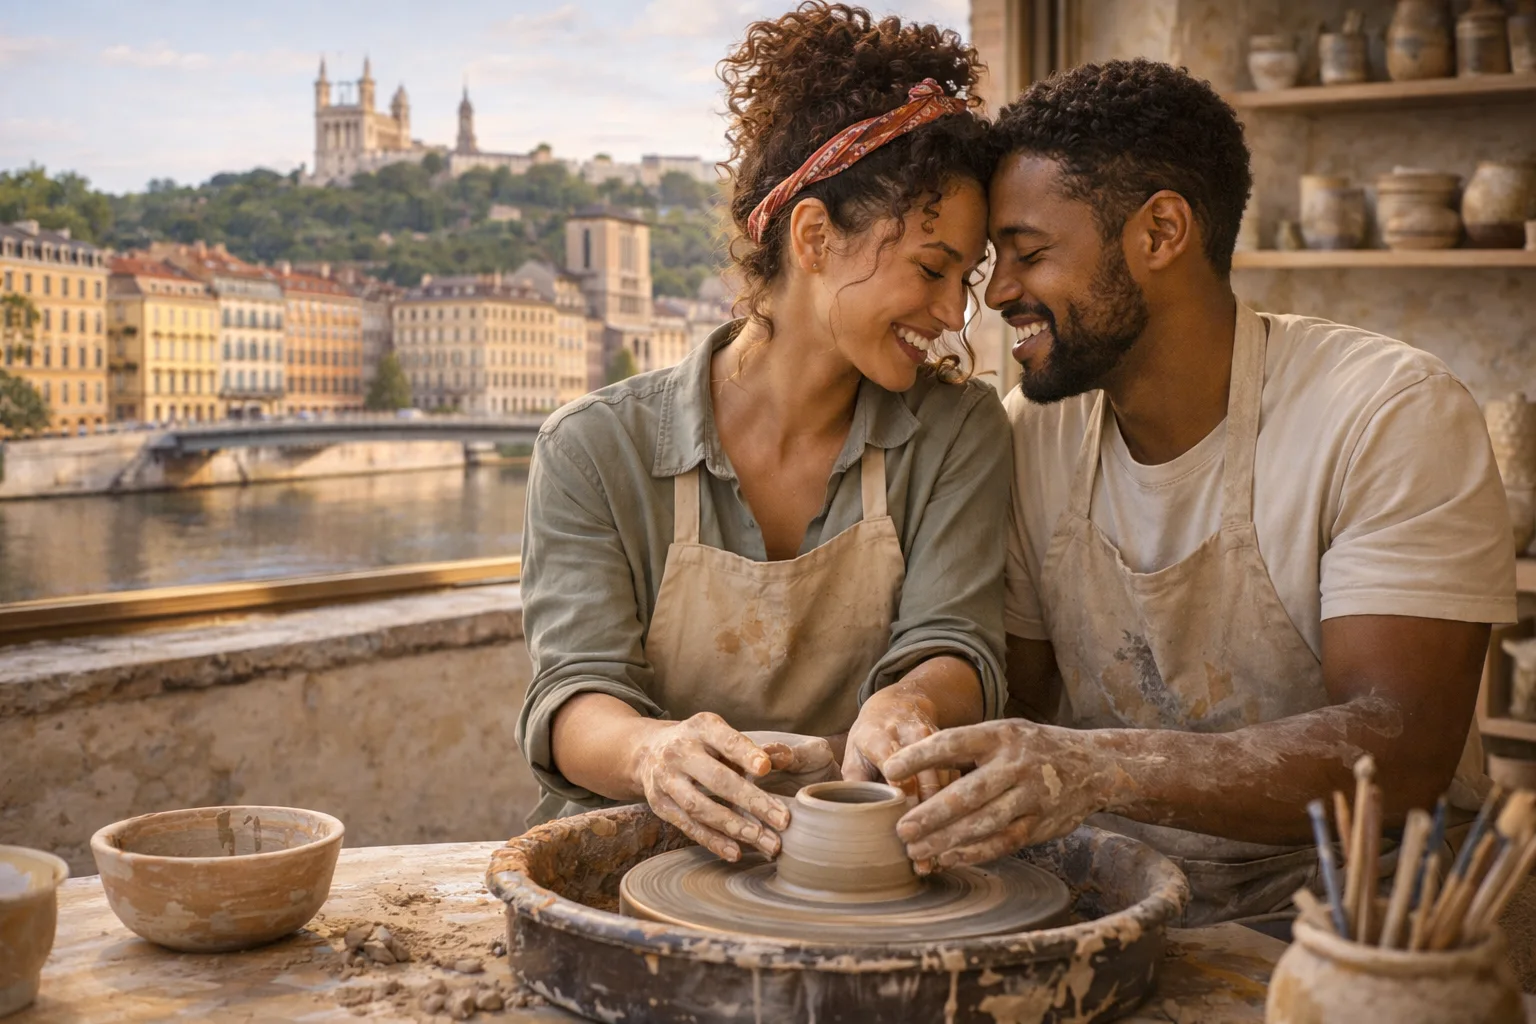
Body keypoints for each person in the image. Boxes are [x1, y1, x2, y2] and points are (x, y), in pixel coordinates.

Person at [883, 59, 1516, 926]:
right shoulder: (1034, 433)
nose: (996, 294)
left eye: (1029, 254)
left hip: (1363, 914)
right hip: (1124, 895)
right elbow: (1016, 701)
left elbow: (1401, 747)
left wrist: (1101, 768)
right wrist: (888, 730)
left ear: (1161, 231)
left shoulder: (1388, 411)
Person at [515, 2, 1010, 865]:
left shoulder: (956, 430)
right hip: (640, 865)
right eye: (932, 269)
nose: (950, 316)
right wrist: (649, 751)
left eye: (964, 280)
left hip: (860, 861)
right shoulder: (592, 449)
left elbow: (955, 641)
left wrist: (912, 704)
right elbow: (574, 697)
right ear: (814, 236)